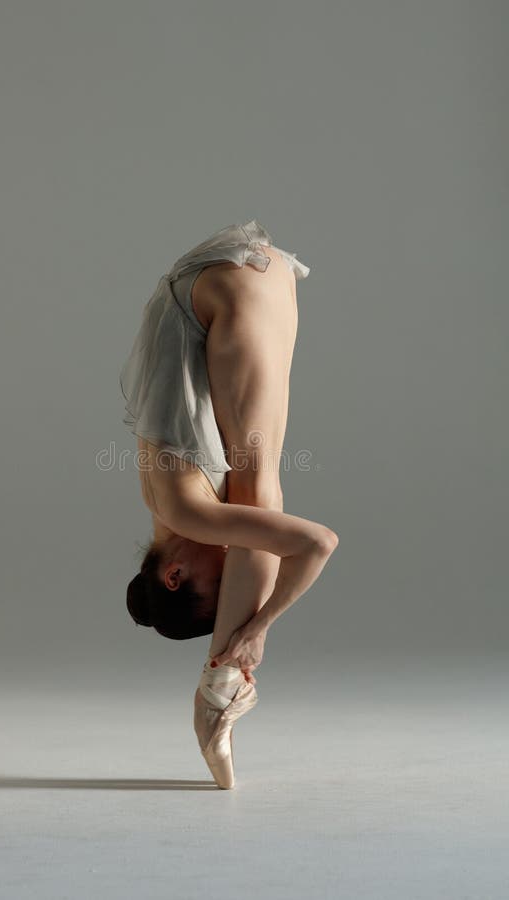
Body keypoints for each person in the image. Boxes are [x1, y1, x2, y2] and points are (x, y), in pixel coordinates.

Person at [119, 219, 339, 788]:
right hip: (233, 280)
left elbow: (317, 543)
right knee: (256, 487)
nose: (230, 553)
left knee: (260, 488)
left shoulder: (185, 512)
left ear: (173, 574)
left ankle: (215, 693)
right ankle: (218, 689)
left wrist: (259, 627)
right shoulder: (169, 507)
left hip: (232, 286)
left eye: (218, 580)